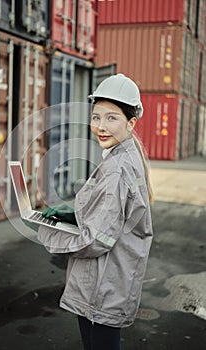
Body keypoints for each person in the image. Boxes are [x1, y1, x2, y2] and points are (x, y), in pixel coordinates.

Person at [36, 73, 154, 350]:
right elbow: (111, 215)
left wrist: (49, 235)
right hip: (110, 279)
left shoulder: (117, 169)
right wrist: (74, 214)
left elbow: (95, 240)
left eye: (112, 118)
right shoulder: (123, 156)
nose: (101, 126)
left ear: (131, 122)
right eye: (96, 117)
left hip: (103, 284)